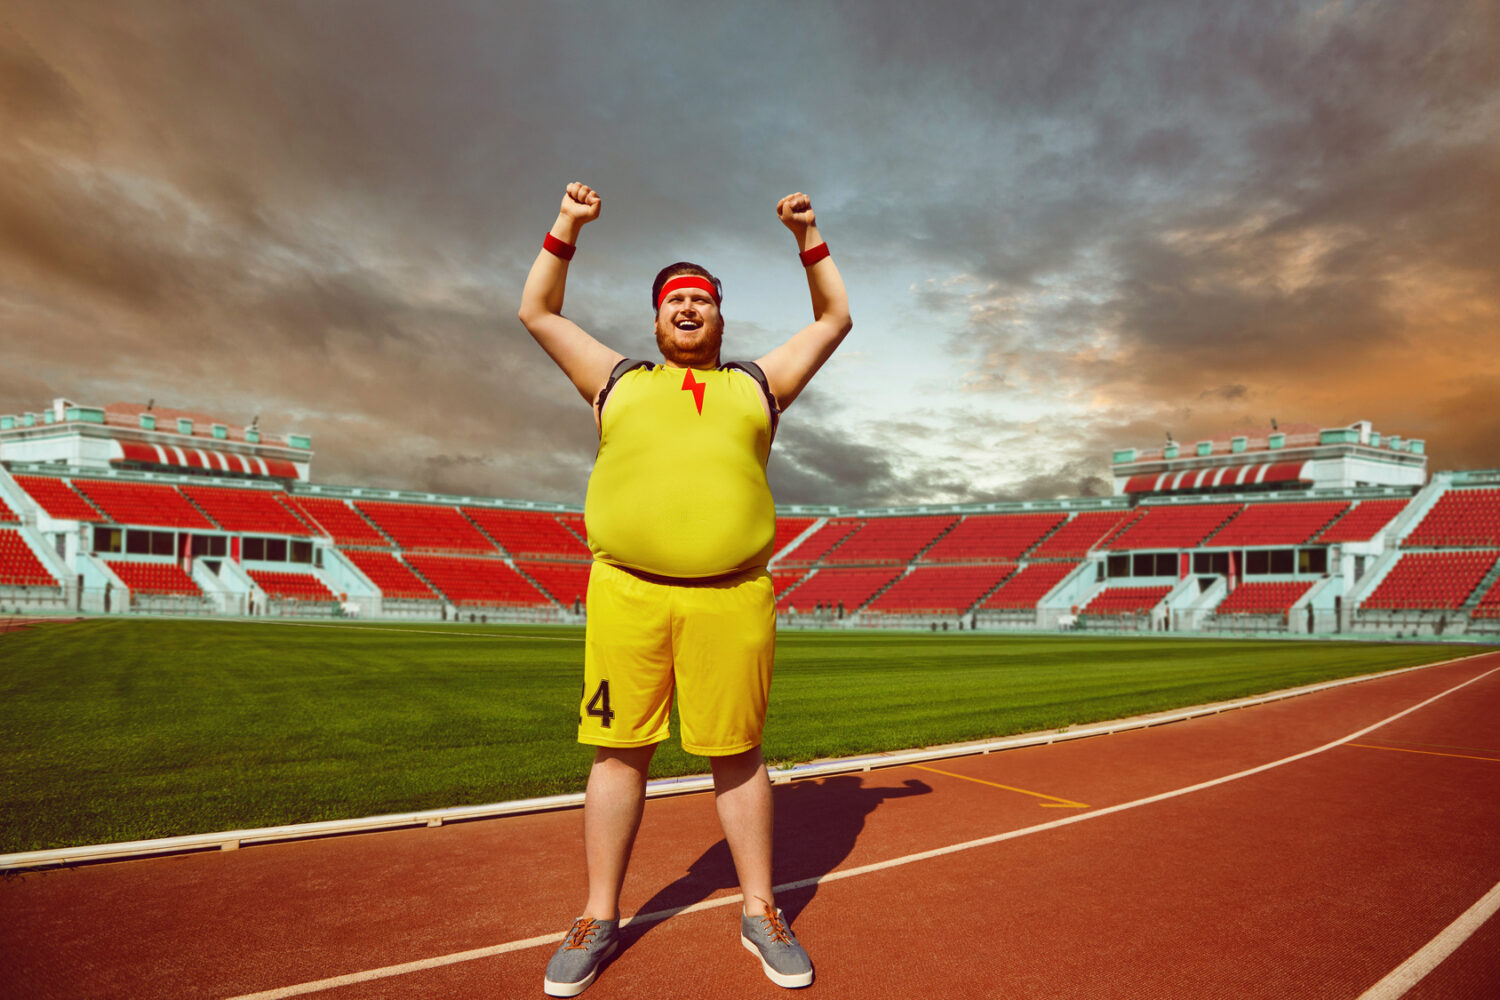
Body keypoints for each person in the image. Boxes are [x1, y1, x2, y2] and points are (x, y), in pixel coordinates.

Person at [518, 181, 851, 995]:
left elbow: (835, 319)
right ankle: (599, 914)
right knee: (618, 750)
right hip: (626, 592)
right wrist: (568, 224)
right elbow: (538, 311)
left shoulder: (757, 385)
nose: (690, 309)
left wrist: (807, 235)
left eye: (703, 299)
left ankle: (760, 910)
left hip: (732, 596)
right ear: (658, 320)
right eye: (677, 301)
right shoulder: (616, 380)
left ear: (722, 320)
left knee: (736, 753)